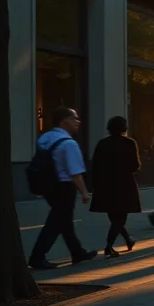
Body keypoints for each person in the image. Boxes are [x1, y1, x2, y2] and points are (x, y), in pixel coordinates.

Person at [29, 107, 98, 269]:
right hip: (64, 187)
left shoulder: (45, 138)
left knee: (64, 220)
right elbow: (75, 173)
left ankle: (77, 252)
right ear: (64, 121)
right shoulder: (68, 144)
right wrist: (84, 192)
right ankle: (37, 256)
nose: (78, 122)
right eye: (75, 118)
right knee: (56, 222)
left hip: (48, 184)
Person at [89, 116, 141, 258]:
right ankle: (109, 246)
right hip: (124, 185)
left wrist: (93, 185)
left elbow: (95, 166)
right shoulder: (129, 143)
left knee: (114, 217)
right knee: (121, 218)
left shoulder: (102, 144)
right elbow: (135, 166)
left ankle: (128, 239)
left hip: (105, 185)